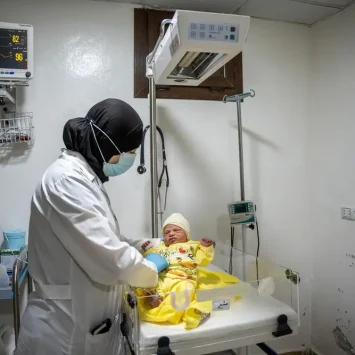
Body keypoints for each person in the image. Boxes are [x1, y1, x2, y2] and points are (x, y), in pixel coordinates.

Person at [15, 99, 160, 355]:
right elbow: (112, 261)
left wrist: (143, 245)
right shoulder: (66, 181)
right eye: (130, 152)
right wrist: (154, 267)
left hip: (84, 326)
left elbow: (104, 238)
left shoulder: (85, 178)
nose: (130, 159)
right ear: (107, 145)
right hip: (62, 334)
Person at [135, 213, 217, 329]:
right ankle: (154, 297)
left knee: (185, 290)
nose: (171, 234)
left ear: (186, 234)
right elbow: (151, 259)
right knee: (148, 283)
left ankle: (162, 304)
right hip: (163, 276)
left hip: (183, 278)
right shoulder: (161, 247)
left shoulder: (192, 245)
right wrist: (148, 249)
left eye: (176, 230)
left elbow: (203, 261)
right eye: (166, 232)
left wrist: (205, 247)